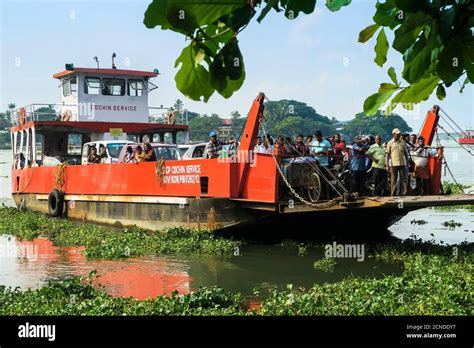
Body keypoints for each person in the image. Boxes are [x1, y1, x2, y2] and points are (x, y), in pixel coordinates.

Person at [386, 128, 409, 196]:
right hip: (393, 164)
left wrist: (407, 162)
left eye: (399, 134)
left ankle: (404, 193)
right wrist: (387, 165)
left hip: (402, 163)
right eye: (397, 134)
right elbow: (387, 155)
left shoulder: (403, 142)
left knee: (403, 179)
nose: (398, 135)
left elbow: (406, 153)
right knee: (393, 180)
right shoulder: (390, 143)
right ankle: (393, 194)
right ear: (394, 134)